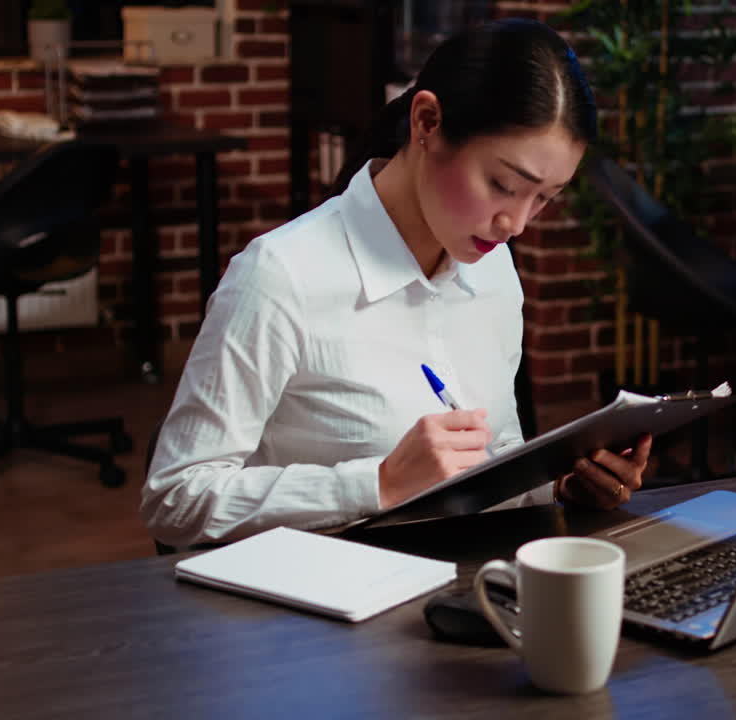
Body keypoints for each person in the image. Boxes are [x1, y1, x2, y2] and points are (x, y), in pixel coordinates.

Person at [142, 19, 652, 548]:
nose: (517, 223)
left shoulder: (493, 267)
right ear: (426, 122)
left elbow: (494, 455)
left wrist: (559, 485)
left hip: (457, 585)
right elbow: (175, 500)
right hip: (317, 609)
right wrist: (379, 483)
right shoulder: (279, 277)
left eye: (546, 197)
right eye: (503, 185)